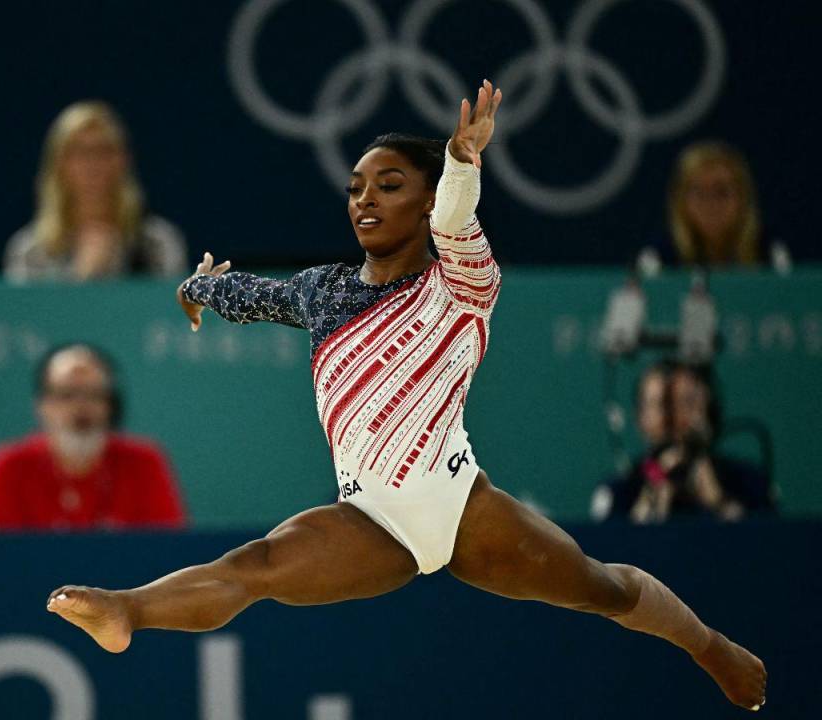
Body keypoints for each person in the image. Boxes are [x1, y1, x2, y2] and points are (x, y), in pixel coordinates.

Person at [47, 82, 766, 712]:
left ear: (426, 204)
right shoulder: (324, 289)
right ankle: (126, 610)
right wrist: (199, 287)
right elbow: (250, 295)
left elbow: (457, 216)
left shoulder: (460, 285)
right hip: (368, 517)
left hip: (462, 506)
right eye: (357, 186)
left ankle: (709, 646)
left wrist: (460, 162)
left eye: (389, 185)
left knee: (605, 590)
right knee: (256, 567)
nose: (366, 199)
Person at [0, 343, 187, 534]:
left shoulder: (145, 462)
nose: (81, 408)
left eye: (94, 395)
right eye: (67, 394)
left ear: (110, 405)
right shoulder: (10, 465)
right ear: (42, 406)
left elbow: (169, 554)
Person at [4, 101, 188, 282]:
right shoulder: (30, 251)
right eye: (80, 152)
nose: (93, 164)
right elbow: (27, 312)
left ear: (123, 161)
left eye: (104, 151)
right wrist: (82, 275)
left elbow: (170, 309)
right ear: (59, 164)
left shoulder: (158, 244)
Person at [592, 361, 775, 523]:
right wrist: (649, 503)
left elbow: (770, 545)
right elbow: (607, 553)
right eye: (660, 404)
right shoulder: (620, 491)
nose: (674, 417)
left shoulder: (749, 482)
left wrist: (719, 502)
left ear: (710, 411)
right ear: (640, 418)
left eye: (687, 402)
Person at [637, 141, 789, 273]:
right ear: (681, 201)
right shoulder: (657, 259)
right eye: (699, 193)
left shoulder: (771, 253)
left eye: (721, 192)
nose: (711, 204)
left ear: (743, 198)